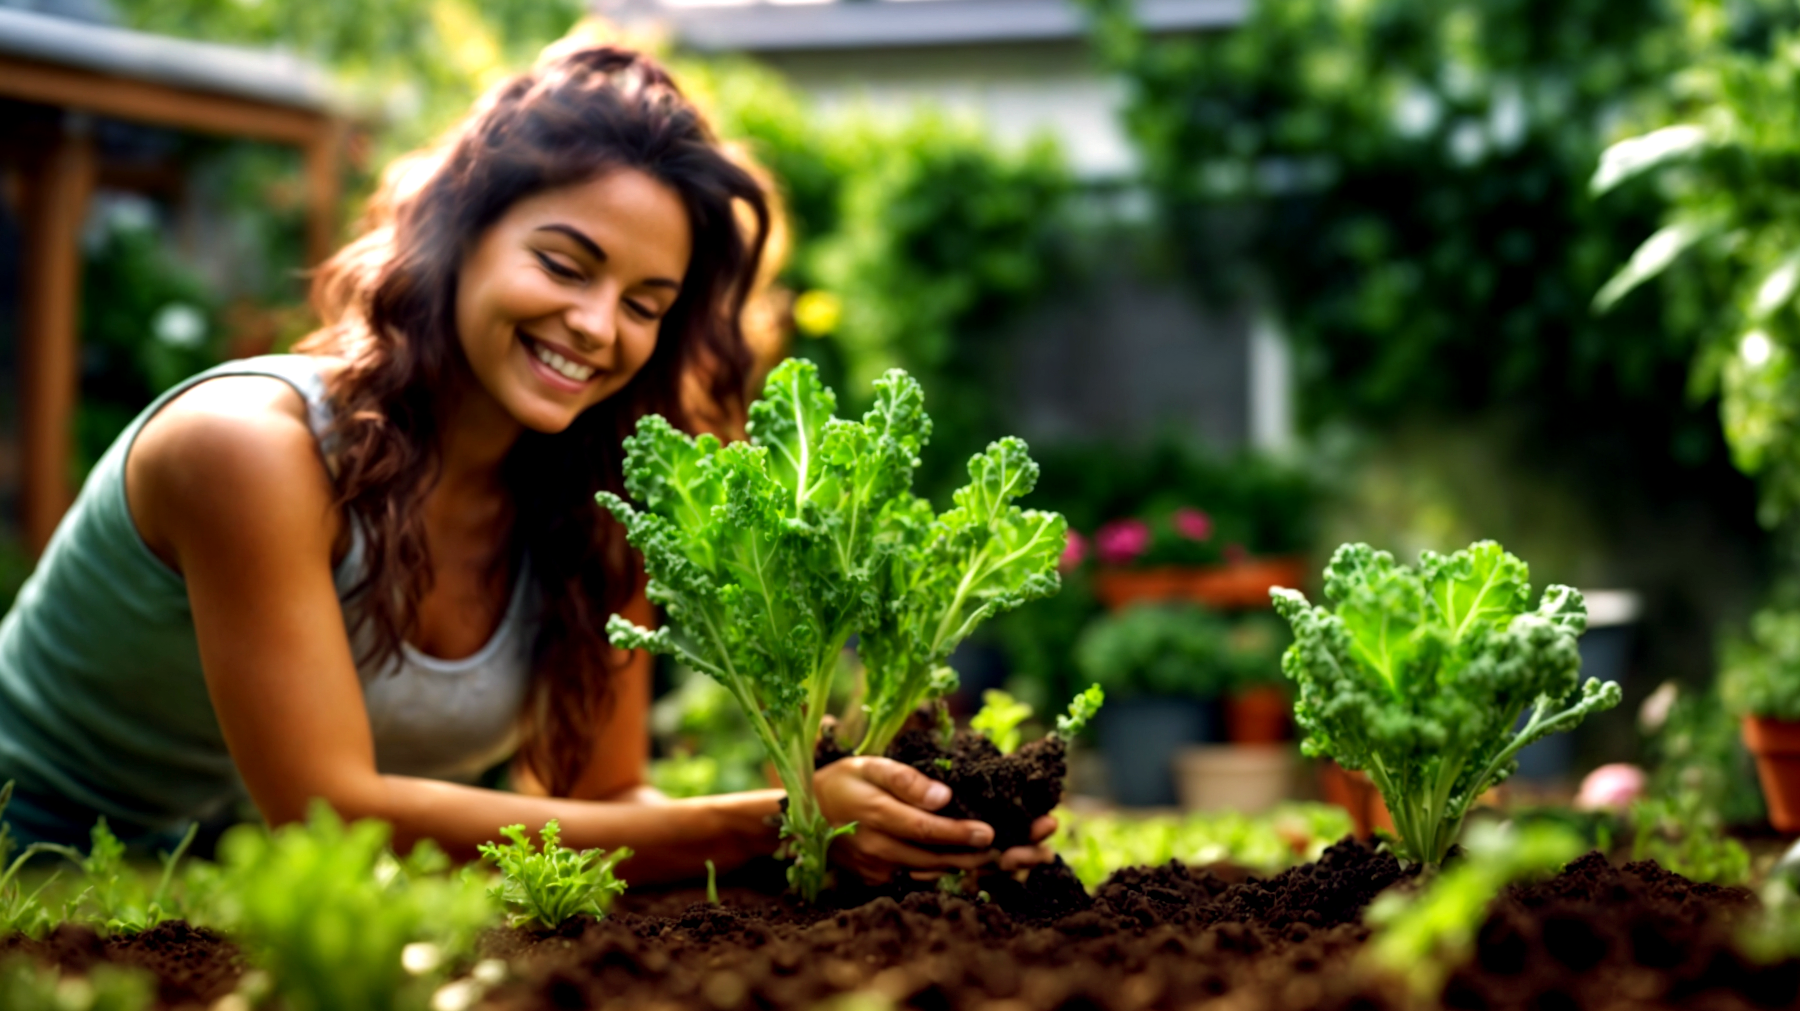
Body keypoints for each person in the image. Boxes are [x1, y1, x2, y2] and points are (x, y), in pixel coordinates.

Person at [0, 45, 1054, 886]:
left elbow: (609, 808)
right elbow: (329, 816)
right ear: (455, 238)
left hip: (233, 900)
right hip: (35, 868)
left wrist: (893, 825)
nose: (598, 327)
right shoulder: (249, 450)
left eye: (647, 305)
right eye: (564, 263)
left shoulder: (602, 512)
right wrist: (769, 820)